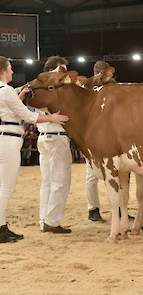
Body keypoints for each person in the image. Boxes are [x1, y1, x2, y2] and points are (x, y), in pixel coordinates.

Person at [0, 56, 68, 243]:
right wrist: (53, 118)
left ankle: (36, 221)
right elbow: (27, 116)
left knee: (45, 183)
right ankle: (48, 222)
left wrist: (21, 96)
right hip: (14, 138)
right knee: (6, 187)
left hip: (14, 137)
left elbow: (16, 107)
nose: (12, 71)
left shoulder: (11, 90)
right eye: (10, 68)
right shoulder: (7, 90)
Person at [86, 60, 134, 221]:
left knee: (121, 173)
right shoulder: (88, 90)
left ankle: (121, 209)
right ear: (98, 73)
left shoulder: (115, 89)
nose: (110, 77)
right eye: (108, 74)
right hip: (94, 136)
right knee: (92, 174)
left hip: (115, 136)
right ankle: (93, 209)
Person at [37, 56, 73, 234]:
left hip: (43, 137)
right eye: (62, 69)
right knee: (60, 182)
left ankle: (44, 219)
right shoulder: (53, 87)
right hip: (57, 137)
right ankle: (52, 221)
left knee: (47, 182)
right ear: (53, 69)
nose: (64, 73)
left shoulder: (37, 85)